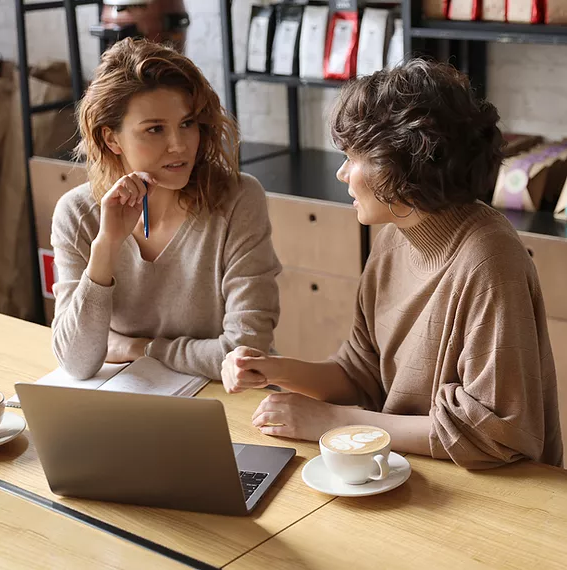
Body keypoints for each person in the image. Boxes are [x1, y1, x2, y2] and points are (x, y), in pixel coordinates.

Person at [221, 59, 563, 469]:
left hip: (484, 490)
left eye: (355, 156)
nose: (342, 173)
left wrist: (332, 423)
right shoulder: (393, 240)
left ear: (405, 162)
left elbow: (491, 434)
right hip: (407, 467)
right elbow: (362, 374)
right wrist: (273, 370)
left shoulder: (489, 260)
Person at [51, 38, 281, 380]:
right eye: (155, 129)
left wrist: (140, 349)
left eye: (187, 124)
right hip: (132, 405)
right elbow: (76, 362)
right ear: (112, 139)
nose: (179, 145)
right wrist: (106, 247)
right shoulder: (76, 213)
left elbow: (245, 354)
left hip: (228, 404)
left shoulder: (237, 199)